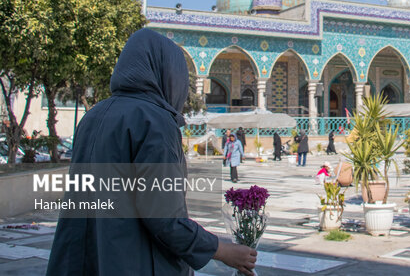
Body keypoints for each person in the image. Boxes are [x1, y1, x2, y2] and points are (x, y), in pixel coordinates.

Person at [46, 29, 256, 276]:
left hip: (83, 260)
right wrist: (221, 250)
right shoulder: (155, 121)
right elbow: (163, 218)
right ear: (167, 73)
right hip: (134, 262)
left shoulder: (93, 116)